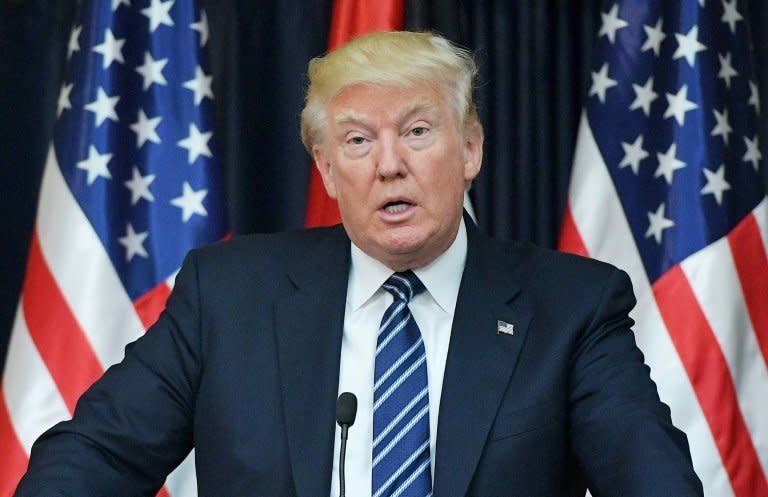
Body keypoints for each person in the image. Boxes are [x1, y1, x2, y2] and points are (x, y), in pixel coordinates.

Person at [14, 31, 702, 497]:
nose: (389, 164)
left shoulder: (571, 308)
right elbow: (88, 460)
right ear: (327, 168)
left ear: (471, 150)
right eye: (357, 140)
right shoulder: (227, 296)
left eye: (417, 131)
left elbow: (657, 485)